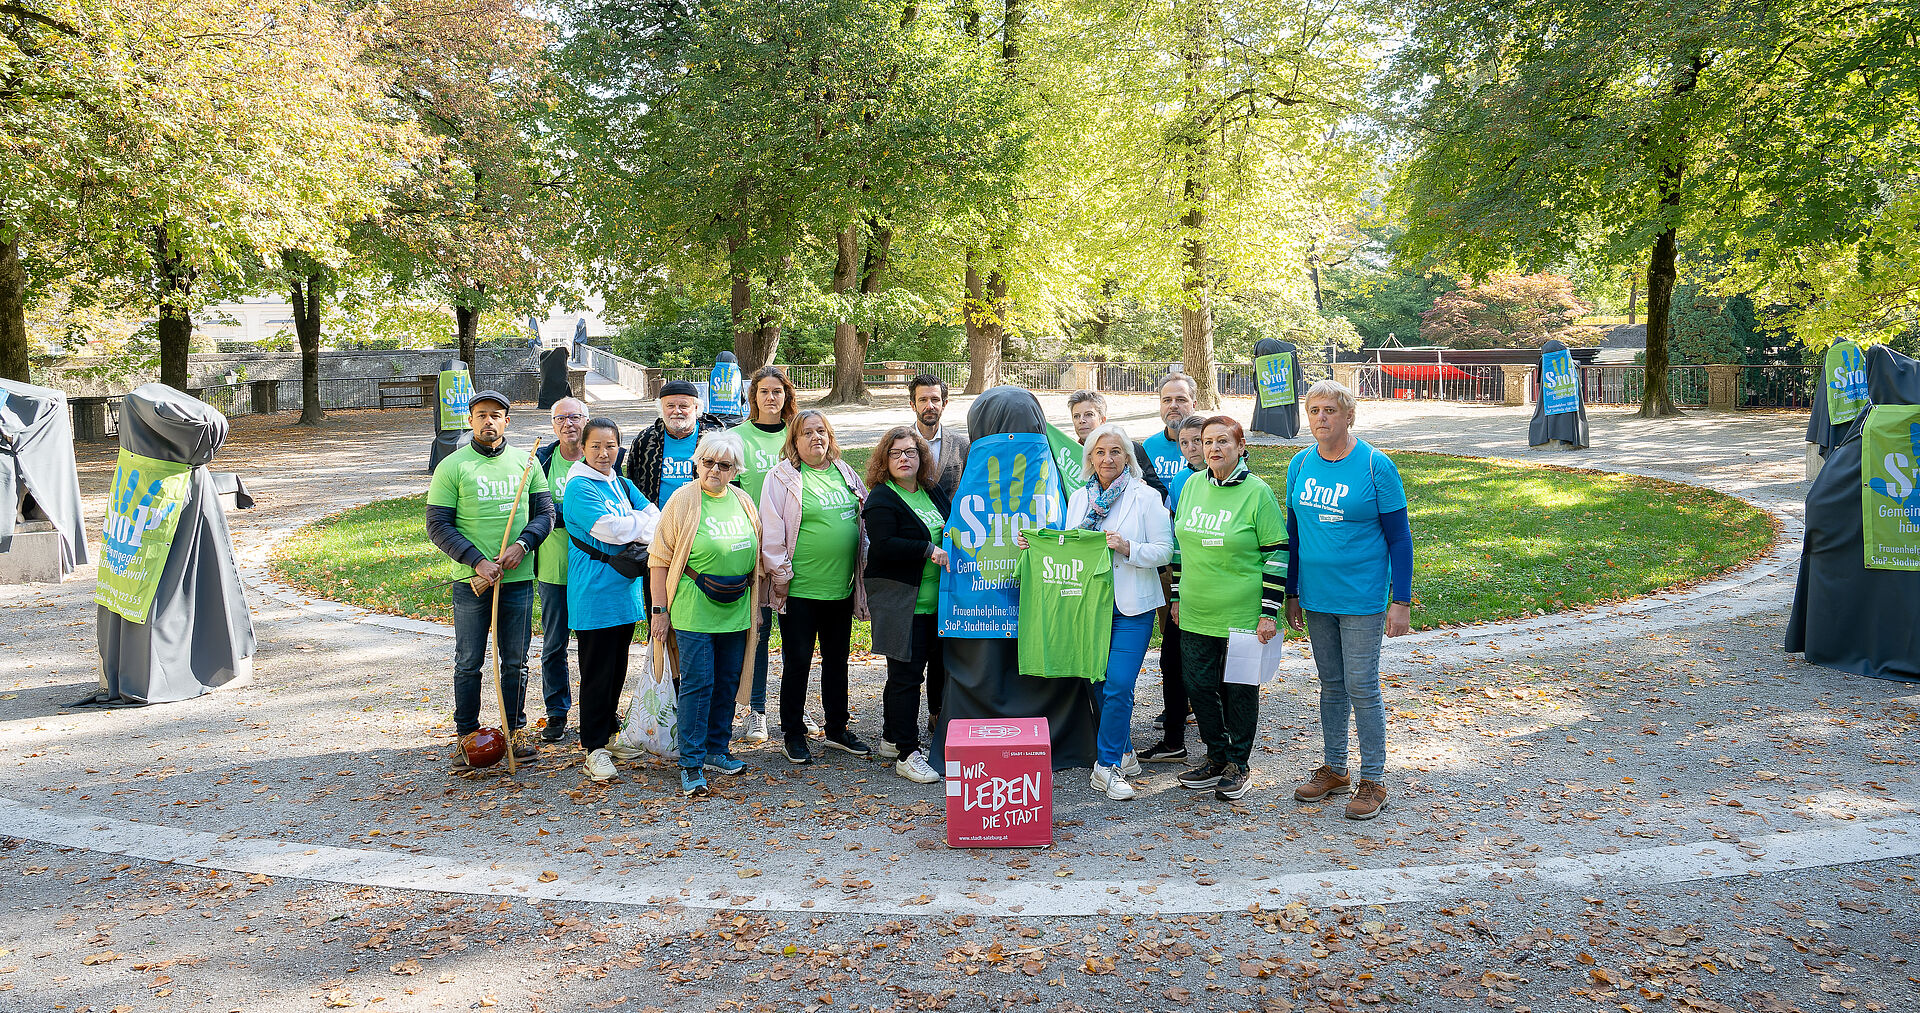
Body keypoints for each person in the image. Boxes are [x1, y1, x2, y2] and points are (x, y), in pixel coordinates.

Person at [1284, 380, 1413, 821]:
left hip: (1362, 597)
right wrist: (1292, 592)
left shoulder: (1376, 466)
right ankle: (1335, 769)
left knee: (1362, 686)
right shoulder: (1300, 464)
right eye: (1314, 409)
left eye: (1330, 410)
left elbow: (1400, 538)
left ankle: (1373, 779)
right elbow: (1295, 534)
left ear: (1348, 415)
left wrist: (1402, 600)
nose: (1321, 417)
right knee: (1331, 685)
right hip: (1317, 597)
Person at [1030, 422, 1173, 800]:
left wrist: (1128, 547)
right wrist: (1037, 546)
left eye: (1115, 452)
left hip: (1132, 607)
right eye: (1099, 452)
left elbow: (1165, 550)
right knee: (1099, 683)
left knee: (1120, 685)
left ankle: (1105, 767)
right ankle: (1123, 750)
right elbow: (1068, 545)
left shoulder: (1144, 497)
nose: (1107, 458)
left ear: (1127, 456)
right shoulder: (1079, 499)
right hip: (1087, 606)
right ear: (1090, 458)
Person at [425, 389, 555, 771]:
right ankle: (467, 735)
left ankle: (514, 731)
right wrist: (477, 562)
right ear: (470, 420)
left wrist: (522, 545)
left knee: (515, 661)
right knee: (468, 662)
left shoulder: (526, 462)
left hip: (517, 578)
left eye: (496, 415)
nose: (488, 421)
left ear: (506, 421)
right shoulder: (452, 466)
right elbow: (438, 525)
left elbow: (545, 513)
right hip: (471, 582)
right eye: (481, 414)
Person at [1168, 415, 1286, 801]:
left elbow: (1277, 554)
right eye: (1207, 442)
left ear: (1240, 447)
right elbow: (1179, 548)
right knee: (1199, 686)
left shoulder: (1257, 493)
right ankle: (1215, 756)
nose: (1214, 448)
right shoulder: (1190, 487)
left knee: (1238, 690)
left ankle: (1238, 763)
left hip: (1244, 615)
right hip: (1197, 612)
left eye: (1223, 441)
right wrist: (1176, 597)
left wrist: (1269, 612)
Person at [649, 431, 765, 797]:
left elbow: (756, 560)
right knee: (698, 685)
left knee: (728, 681)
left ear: (735, 470)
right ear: (697, 463)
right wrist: (659, 611)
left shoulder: (744, 501)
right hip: (693, 611)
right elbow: (659, 561)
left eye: (724, 464)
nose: (715, 469)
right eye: (708, 462)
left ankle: (717, 748)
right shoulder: (683, 501)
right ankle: (691, 761)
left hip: (735, 611)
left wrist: (757, 608)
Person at [759, 410, 870, 765]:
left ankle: (837, 728)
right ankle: (792, 732)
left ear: (830, 435)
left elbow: (863, 519)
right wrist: (780, 576)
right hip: (800, 591)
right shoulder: (782, 478)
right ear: (794, 441)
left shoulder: (844, 472)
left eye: (821, 431)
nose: (815, 438)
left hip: (841, 589)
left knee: (837, 661)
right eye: (806, 433)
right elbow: (772, 534)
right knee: (798, 662)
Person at [561, 418, 660, 782]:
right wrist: (637, 522)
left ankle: (610, 734)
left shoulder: (621, 482)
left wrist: (635, 521)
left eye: (611, 446)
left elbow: (657, 518)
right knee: (597, 672)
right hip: (594, 593)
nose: (604, 453)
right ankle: (593, 749)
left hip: (623, 592)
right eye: (596, 447)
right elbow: (611, 530)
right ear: (583, 449)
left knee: (617, 669)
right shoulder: (579, 488)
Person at [861, 425, 950, 784]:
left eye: (910, 452)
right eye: (896, 453)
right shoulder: (881, 498)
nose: (903, 458)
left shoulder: (932, 491)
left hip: (938, 602)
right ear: (885, 459)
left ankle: (889, 736)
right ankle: (907, 752)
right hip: (902, 601)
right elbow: (883, 545)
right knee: (905, 677)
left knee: (933, 671)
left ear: (921, 456)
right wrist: (927, 549)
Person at [732, 365, 800, 745]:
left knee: (796, 634)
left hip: (795, 551)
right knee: (758, 631)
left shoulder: (797, 435)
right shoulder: (738, 438)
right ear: (752, 397)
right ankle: (756, 710)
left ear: (786, 395)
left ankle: (795, 704)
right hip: (755, 548)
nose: (771, 398)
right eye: (763, 392)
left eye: (777, 391)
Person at [1138, 372, 1198, 763]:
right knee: (1171, 637)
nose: (1173, 406)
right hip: (1163, 560)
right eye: (1166, 400)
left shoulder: (1212, 437)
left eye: (1180, 399)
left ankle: (1203, 711)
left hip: (1205, 565)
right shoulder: (1146, 446)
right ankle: (1178, 711)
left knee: (1203, 644)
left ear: (1193, 401)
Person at [532, 397, 589, 743]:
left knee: (593, 645)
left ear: (586, 420)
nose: (569, 423)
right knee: (554, 645)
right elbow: (534, 507)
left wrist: (556, 514)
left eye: (575, 417)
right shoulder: (541, 461)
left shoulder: (601, 455)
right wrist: (576, 515)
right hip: (553, 571)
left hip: (594, 570)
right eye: (561, 418)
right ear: (553, 425)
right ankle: (557, 711)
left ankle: (598, 710)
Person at [626, 379, 726, 512]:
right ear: (661, 408)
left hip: (704, 519)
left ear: (696, 408)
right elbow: (632, 483)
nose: (676, 411)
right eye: (670, 406)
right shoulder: (645, 440)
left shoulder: (714, 438)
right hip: (656, 521)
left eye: (683, 406)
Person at [1065, 389, 1169, 500]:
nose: (1081, 420)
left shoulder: (1130, 449)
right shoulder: (1067, 454)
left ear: (1102, 420)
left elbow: (1160, 493)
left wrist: (1144, 490)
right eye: (1076, 416)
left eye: (1089, 414)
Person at [909, 373, 969, 498]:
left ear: (944, 404)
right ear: (913, 405)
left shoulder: (962, 446)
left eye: (935, 400)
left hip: (950, 516)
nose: (929, 406)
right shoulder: (898, 444)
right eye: (923, 400)